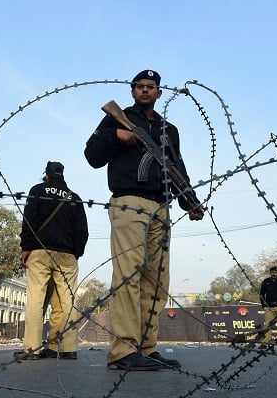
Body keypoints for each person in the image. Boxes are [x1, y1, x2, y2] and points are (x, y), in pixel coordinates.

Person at [84, 69, 205, 371]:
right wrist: (117, 135)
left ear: (159, 93)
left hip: (161, 207)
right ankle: (123, 350)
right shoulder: (116, 118)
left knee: (156, 281)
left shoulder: (168, 130)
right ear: (133, 91)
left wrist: (189, 201)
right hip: (129, 202)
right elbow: (92, 155)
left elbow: (177, 167)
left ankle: (146, 347)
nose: (146, 90)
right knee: (129, 275)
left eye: (151, 87)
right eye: (140, 86)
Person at [16, 161, 89, 360]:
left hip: (40, 251)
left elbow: (29, 221)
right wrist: (76, 253)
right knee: (66, 303)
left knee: (36, 301)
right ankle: (67, 348)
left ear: (47, 175)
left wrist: (26, 247)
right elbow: (82, 231)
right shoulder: (75, 198)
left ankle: (32, 349)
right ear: (62, 176)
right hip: (66, 255)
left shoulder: (38, 190)